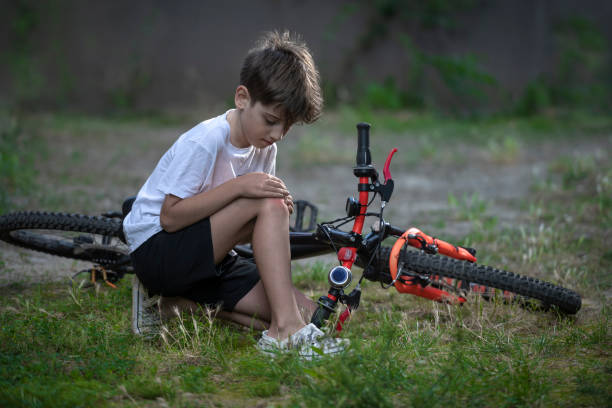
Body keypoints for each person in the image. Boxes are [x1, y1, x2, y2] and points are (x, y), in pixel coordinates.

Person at [122, 30, 348, 359]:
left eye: (286, 127)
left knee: (318, 317)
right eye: (271, 121)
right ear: (242, 98)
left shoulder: (264, 146)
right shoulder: (208, 140)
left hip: (212, 255)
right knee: (266, 204)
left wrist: (275, 212)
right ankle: (285, 331)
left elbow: (254, 217)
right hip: (160, 252)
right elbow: (170, 217)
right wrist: (245, 190)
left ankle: (175, 306)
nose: (278, 135)